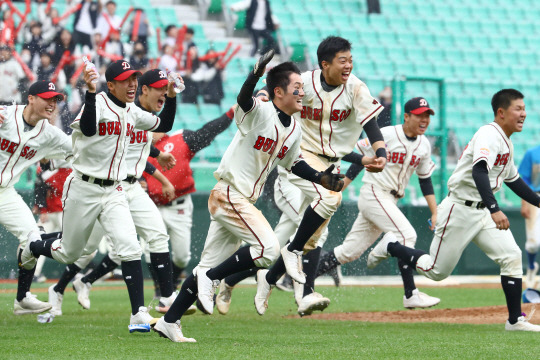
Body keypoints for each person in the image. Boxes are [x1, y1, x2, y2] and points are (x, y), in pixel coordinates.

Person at [152, 50, 344, 342]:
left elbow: (293, 164)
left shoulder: (292, 128)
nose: (302, 93)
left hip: (240, 200)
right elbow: (243, 100)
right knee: (267, 251)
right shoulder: (260, 110)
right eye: (297, 88)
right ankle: (214, 279)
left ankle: (170, 320)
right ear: (277, 92)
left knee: (205, 267)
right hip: (230, 194)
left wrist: (321, 178)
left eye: (303, 89)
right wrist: (255, 73)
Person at [20, 59, 178, 333]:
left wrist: (173, 96)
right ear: (112, 84)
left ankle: (138, 314)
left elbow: (164, 121)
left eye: (134, 79)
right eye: (126, 80)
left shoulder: (131, 111)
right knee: (70, 253)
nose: (132, 84)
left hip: (114, 189)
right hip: (84, 187)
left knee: (130, 247)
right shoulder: (99, 102)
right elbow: (90, 128)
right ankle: (34, 245)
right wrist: (91, 91)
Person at [367, 89, 540, 332]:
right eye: (518, 109)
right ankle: (392, 246)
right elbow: (479, 171)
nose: (524, 113)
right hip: (459, 208)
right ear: (501, 112)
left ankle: (514, 321)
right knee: (436, 271)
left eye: (524, 108)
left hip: (482, 213)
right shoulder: (488, 134)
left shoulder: (506, 142)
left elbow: (513, 179)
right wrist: (494, 208)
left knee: (511, 256)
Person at [251, 36, 387, 316]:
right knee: (327, 201)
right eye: (342, 60)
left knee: (311, 237)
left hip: (330, 164)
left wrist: (380, 151)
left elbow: (370, 123)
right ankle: (297, 277)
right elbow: (280, 96)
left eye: (350, 59)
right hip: (298, 158)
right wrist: (264, 97)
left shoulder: (356, 88)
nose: (348, 64)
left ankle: (270, 276)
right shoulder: (305, 82)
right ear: (325, 64)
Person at [315, 97, 440, 310]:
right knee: (406, 235)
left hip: (390, 200)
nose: (424, 119)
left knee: (349, 252)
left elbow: (425, 180)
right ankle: (410, 293)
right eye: (420, 114)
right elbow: (361, 157)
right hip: (374, 193)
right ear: (406, 116)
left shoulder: (424, 145)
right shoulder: (387, 134)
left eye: (427, 115)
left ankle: (299, 278)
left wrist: (434, 212)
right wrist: (341, 186)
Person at [142, 103, 236, 293]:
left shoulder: (180, 138)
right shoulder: (137, 148)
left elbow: (207, 132)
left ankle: (172, 280)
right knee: (149, 250)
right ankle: (161, 289)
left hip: (179, 205)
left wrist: (230, 113)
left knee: (182, 257)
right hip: (151, 206)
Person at [0, 80, 72, 315]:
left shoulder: (50, 133)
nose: (52, 104)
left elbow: (78, 150)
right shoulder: (5, 115)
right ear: (30, 98)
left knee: (32, 238)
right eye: (46, 98)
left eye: (55, 100)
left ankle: (22, 298)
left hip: (5, 192)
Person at [518, 145, 540, 289]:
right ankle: (531, 266)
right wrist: (524, 203)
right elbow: (524, 179)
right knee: (534, 243)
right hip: (535, 198)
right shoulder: (532, 153)